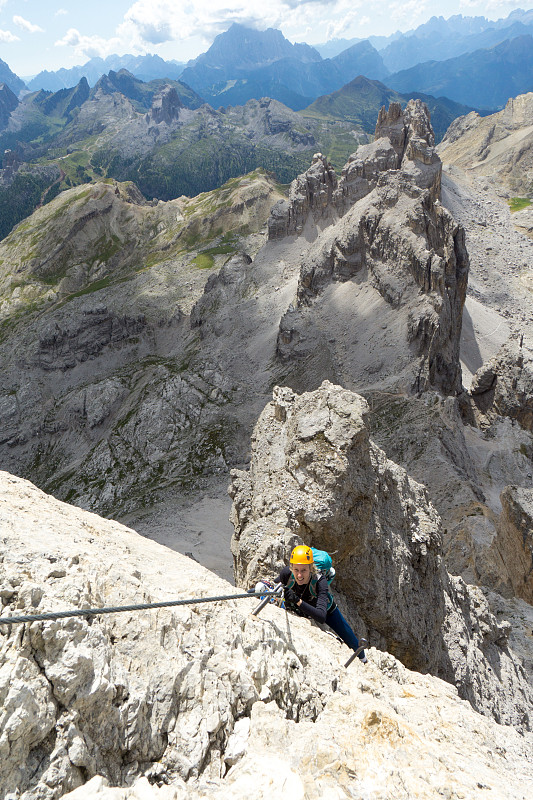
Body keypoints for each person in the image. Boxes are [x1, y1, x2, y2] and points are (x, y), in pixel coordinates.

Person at [276, 544, 367, 663]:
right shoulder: (287, 574)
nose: (299, 575)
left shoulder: (320, 582)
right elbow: (274, 587)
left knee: (349, 637)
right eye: (296, 570)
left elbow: (321, 616)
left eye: (304, 570)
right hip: (298, 607)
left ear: (311, 568)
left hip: (326, 610)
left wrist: (297, 600)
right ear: (291, 568)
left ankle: (363, 658)